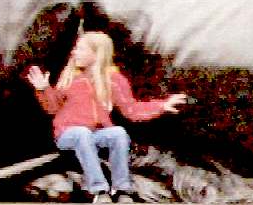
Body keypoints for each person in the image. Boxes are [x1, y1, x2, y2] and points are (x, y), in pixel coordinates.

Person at [26, 31, 187, 203]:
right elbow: (53, 108)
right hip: (68, 135)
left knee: (118, 133)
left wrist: (162, 105)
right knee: (81, 133)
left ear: (96, 54)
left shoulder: (114, 80)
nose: (74, 53)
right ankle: (99, 190)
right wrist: (44, 89)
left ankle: (122, 189)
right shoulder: (71, 78)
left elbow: (131, 109)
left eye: (80, 49)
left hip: (96, 134)